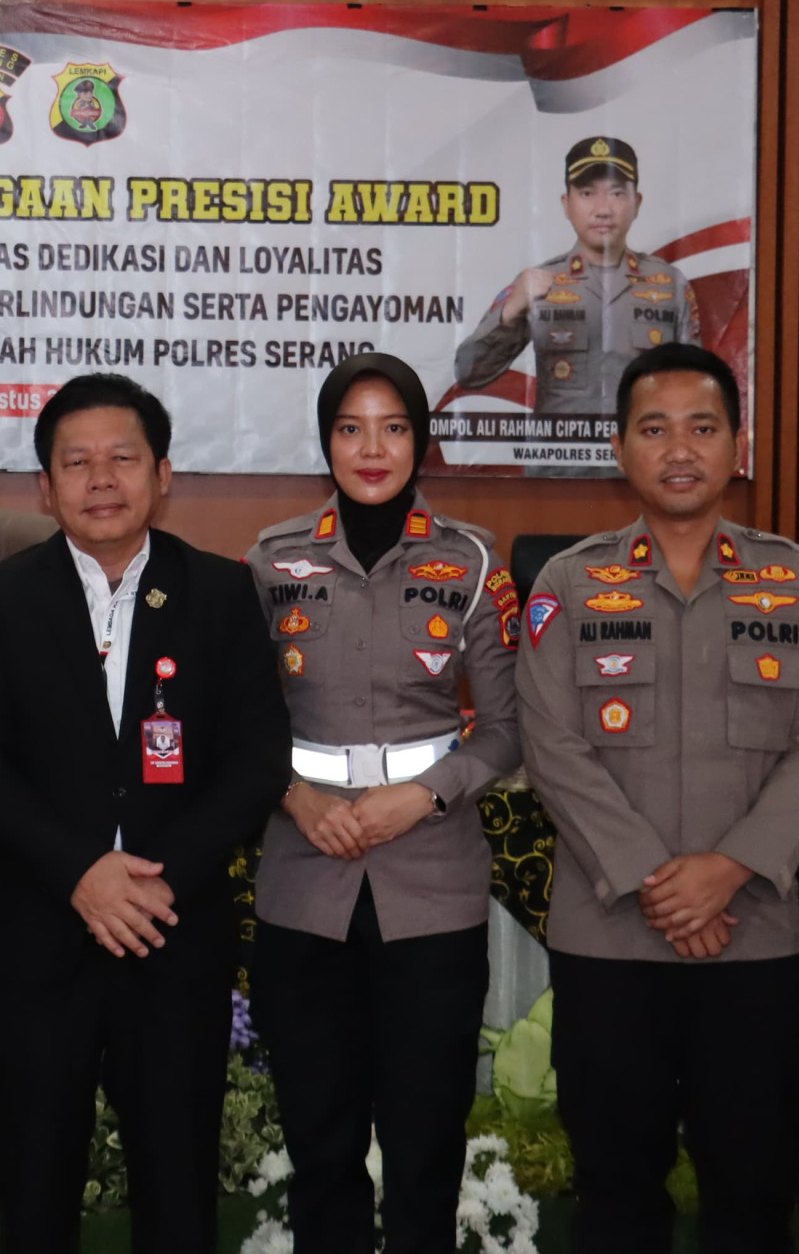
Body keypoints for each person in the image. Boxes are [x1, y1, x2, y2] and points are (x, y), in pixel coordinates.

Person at [515, 344, 799, 1254]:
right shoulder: (568, 582)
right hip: (610, 938)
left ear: (737, 445)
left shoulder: (798, 579)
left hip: (752, 936)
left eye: (702, 428)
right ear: (619, 448)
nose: (679, 450)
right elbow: (551, 745)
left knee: (753, 1191)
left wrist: (729, 869)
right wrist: (656, 881)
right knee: (615, 1195)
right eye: (654, 429)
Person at [0, 373, 286, 1254]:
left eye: (122, 459)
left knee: (177, 1201)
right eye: (77, 462)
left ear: (162, 475)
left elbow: (257, 761)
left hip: (174, 938)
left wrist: (157, 880)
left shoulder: (220, 592)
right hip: (38, 943)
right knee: (35, 1201)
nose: (101, 479)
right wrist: (81, 872)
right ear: (45, 485)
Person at [245, 354, 522, 1254]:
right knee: (319, 1140)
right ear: (326, 442)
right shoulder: (270, 560)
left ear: (421, 440)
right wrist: (295, 799)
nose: (372, 448)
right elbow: (237, 721)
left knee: (425, 1142)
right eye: (351, 428)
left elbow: (508, 731)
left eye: (394, 427)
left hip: (430, 880)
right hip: (304, 875)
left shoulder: (472, 561)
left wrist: (426, 796)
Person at [453, 136, 702, 419]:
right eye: (587, 193)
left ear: (637, 202)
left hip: (641, 446)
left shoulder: (669, 283)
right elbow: (468, 372)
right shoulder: (538, 283)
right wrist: (511, 312)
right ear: (566, 204)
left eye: (617, 194)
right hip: (562, 448)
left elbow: (694, 383)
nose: (603, 209)